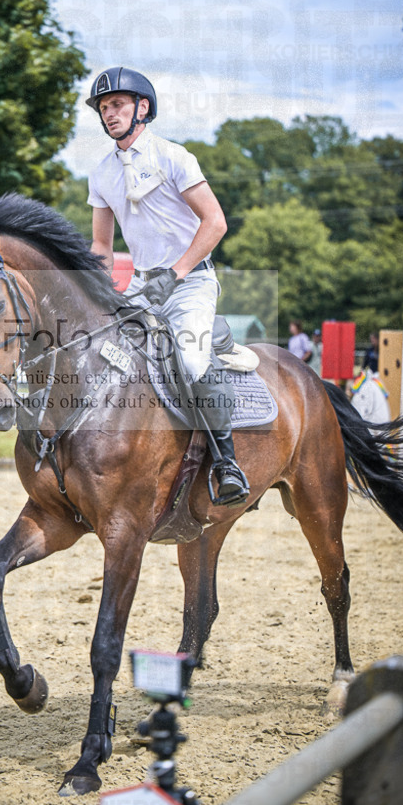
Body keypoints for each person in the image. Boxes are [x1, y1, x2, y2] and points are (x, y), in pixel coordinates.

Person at [86, 65, 249, 506]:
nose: (109, 113)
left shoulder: (175, 157)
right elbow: (103, 244)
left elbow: (216, 223)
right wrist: (99, 291)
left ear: (142, 107)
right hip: (141, 285)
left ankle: (226, 462)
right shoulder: (101, 172)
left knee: (193, 364)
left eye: (117, 104)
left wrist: (174, 274)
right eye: (103, 108)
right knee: (103, 355)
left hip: (190, 282)